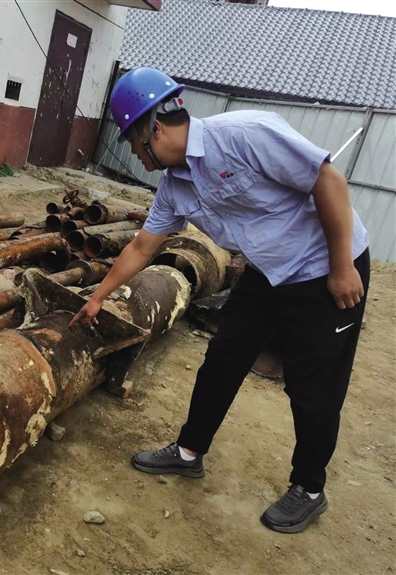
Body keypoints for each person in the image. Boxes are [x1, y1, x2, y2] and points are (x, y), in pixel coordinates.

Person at [70, 67, 370, 534]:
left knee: (314, 386)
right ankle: (189, 452)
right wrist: (97, 298)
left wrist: (342, 267)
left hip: (322, 267)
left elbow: (328, 181)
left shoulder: (246, 134)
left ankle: (310, 488)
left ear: (154, 129)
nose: (132, 154)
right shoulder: (174, 186)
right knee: (223, 360)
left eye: (131, 142)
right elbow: (142, 247)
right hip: (266, 272)